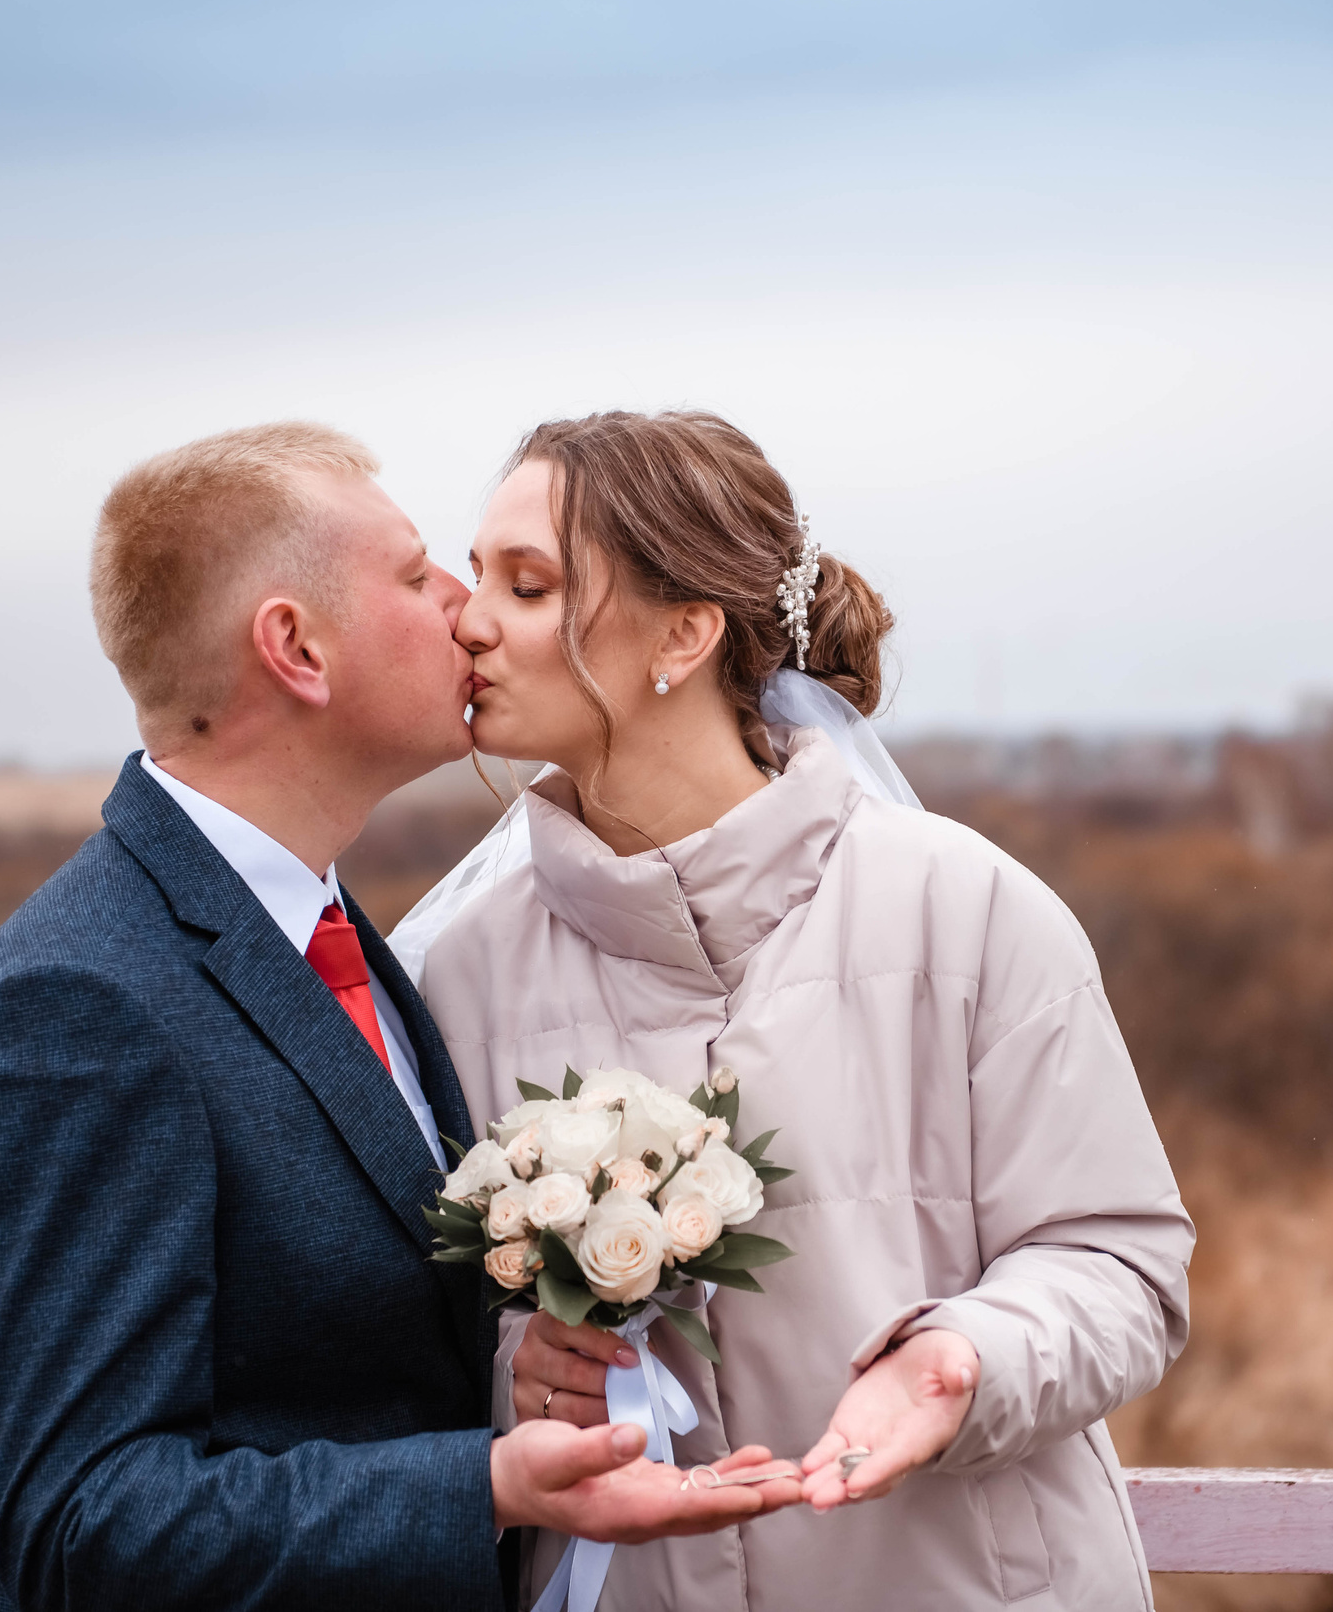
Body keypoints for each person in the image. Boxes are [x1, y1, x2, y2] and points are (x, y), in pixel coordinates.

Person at [0, 422, 801, 1612]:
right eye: (417, 570)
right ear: (295, 648)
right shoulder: (67, 1015)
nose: (464, 609)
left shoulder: (356, 950)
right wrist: (484, 1488)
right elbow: (71, 1530)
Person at [397, 410, 1196, 1611]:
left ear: (684, 631)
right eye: (475, 579)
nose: (470, 620)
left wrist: (955, 1366)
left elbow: (1124, 1266)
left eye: (528, 585)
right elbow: (416, 1344)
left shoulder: (966, 910)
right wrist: (527, 1373)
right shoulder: (450, 972)